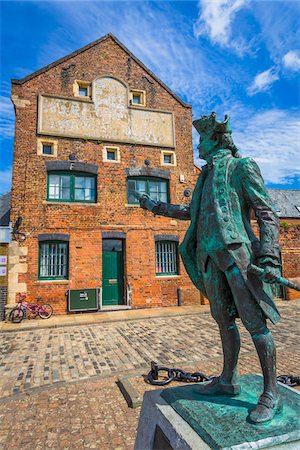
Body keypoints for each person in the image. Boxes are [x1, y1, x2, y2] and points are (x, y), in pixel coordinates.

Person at [139, 112, 282, 424]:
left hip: (236, 258)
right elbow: (192, 213)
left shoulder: (241, 167)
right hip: (208, 257)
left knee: (255, 324)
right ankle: (227, 380)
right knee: (224, 322)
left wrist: (269, 257)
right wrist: (156, 207)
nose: (198, 146)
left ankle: (271, 391)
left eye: (201, 139)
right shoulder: (203, 177)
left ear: (216, 139)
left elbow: (267, 213)